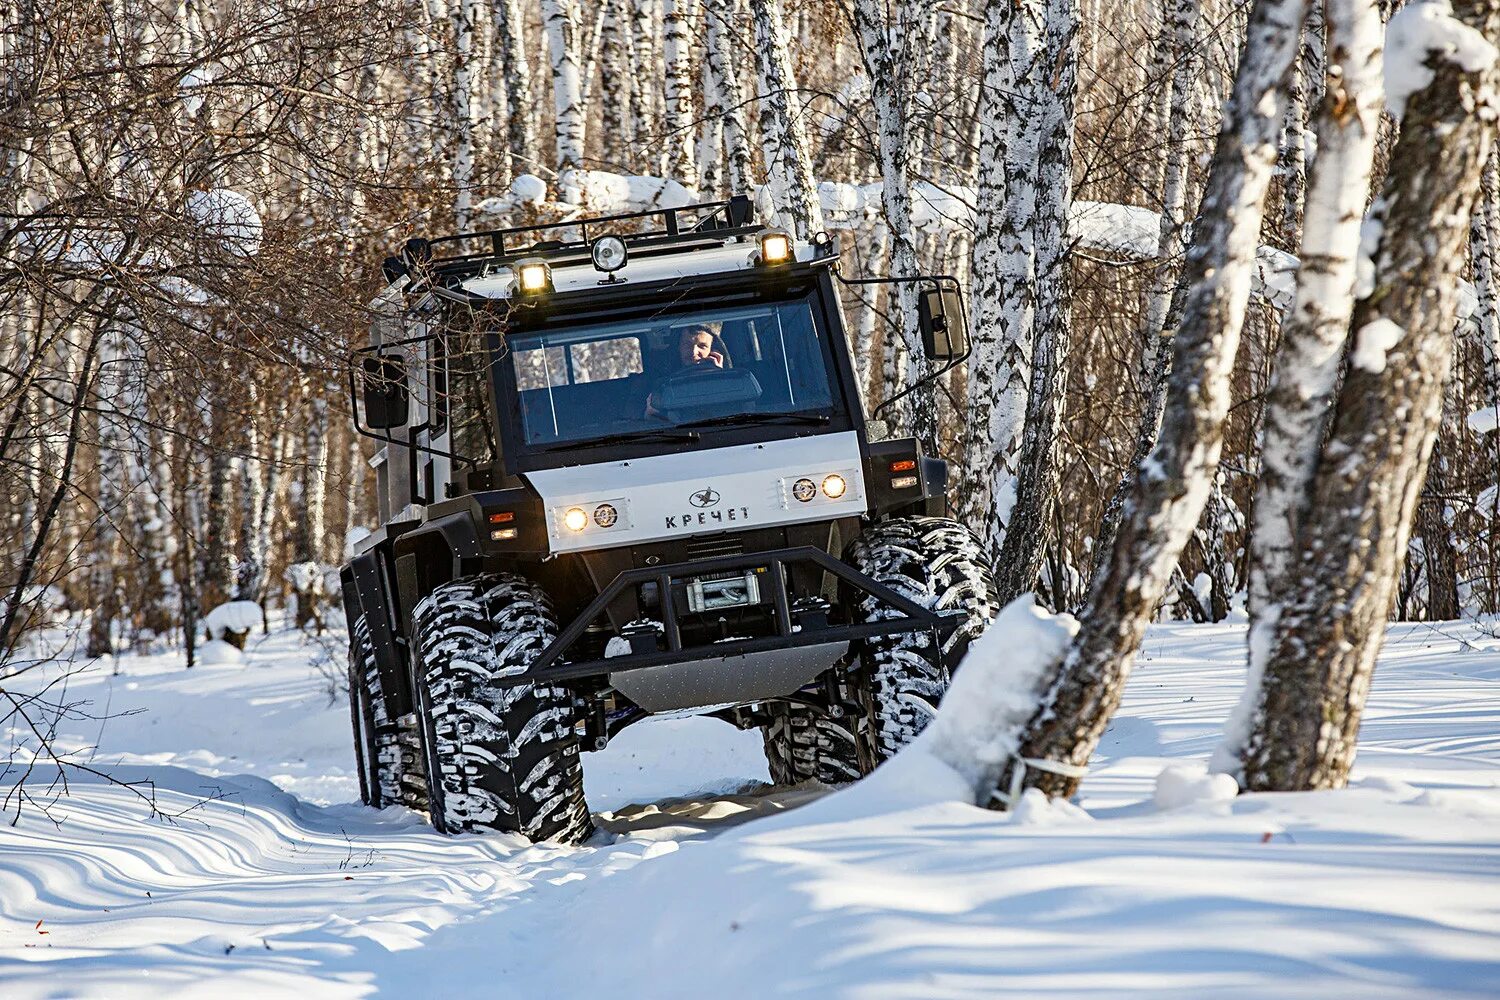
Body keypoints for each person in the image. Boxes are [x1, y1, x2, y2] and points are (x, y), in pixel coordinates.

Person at [646, 323, 731, 417]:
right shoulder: (661, 384)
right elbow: (653, 421)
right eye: (687, 345)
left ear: (713, 351)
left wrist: (720, 376)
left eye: (702, 346)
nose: (693, 352)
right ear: (678, 347)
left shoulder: (730, 381)